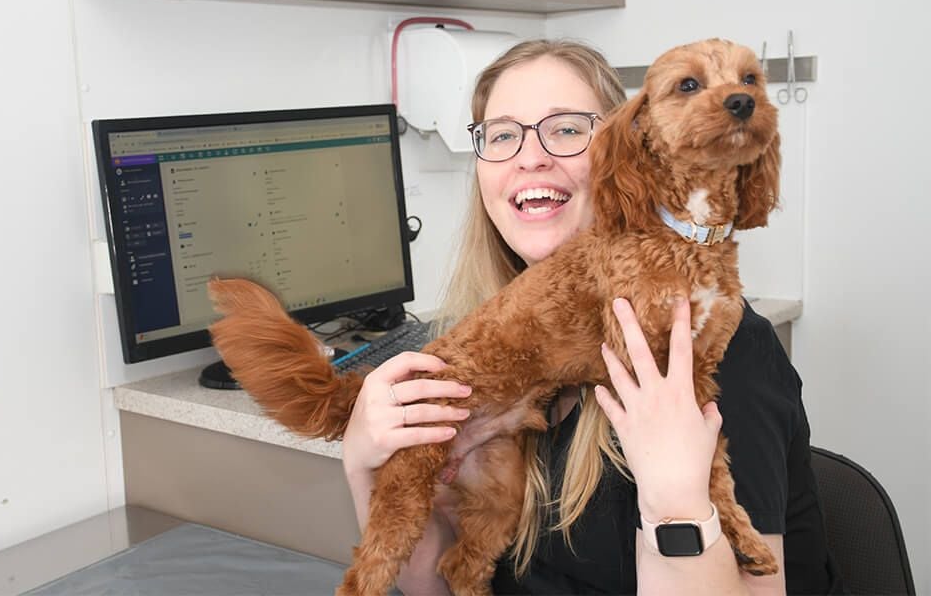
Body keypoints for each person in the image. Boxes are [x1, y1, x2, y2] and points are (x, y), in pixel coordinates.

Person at [341, 39, 842, 595]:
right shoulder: (495, 347)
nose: (531, 157)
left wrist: (675, 502)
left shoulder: (716, 345)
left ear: (632, 145)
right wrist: (362, 460)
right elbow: (434, 588)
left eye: (568, 129)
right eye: (503, 135)